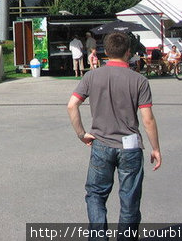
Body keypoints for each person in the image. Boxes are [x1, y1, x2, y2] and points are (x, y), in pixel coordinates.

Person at [67, 32, 162, 239]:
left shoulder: (91, 76)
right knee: (129, 198)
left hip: (100, 143)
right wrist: (155, 148)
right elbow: (148, 119)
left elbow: (72, 105)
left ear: (106, 52)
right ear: (128, 52)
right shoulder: (140, 81)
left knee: (96, 195)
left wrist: (82, 134)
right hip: (130, 147)